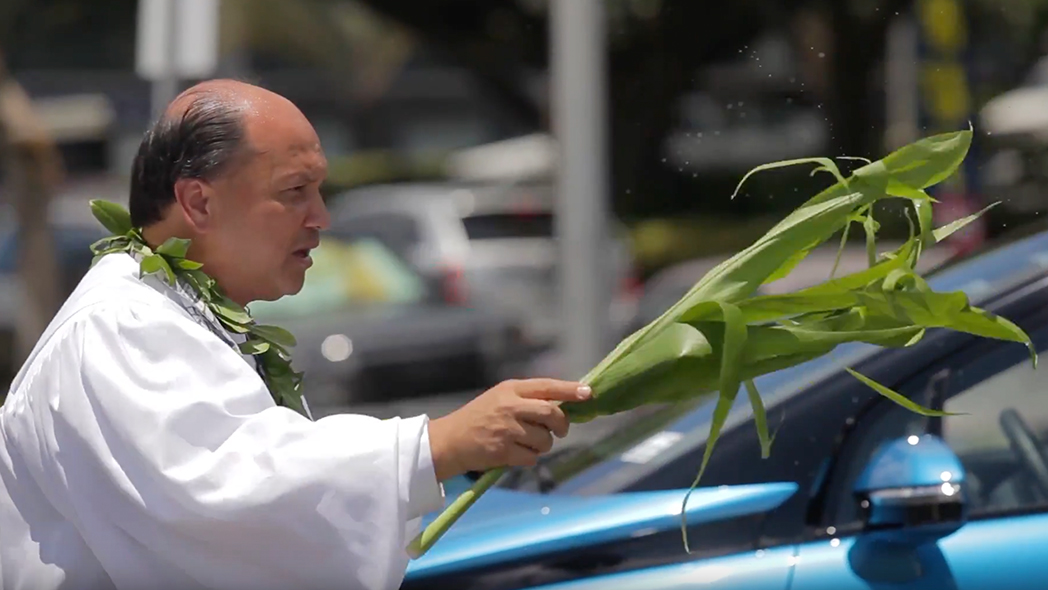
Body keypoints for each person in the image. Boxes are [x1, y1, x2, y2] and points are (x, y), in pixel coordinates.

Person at [0, 79, 590, 590]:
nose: (322, 218)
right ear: (198, 202)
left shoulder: (169, 310)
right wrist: (433, 447)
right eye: (294, 192)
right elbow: (226, 498)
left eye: (319, 190)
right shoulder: (121, 323)